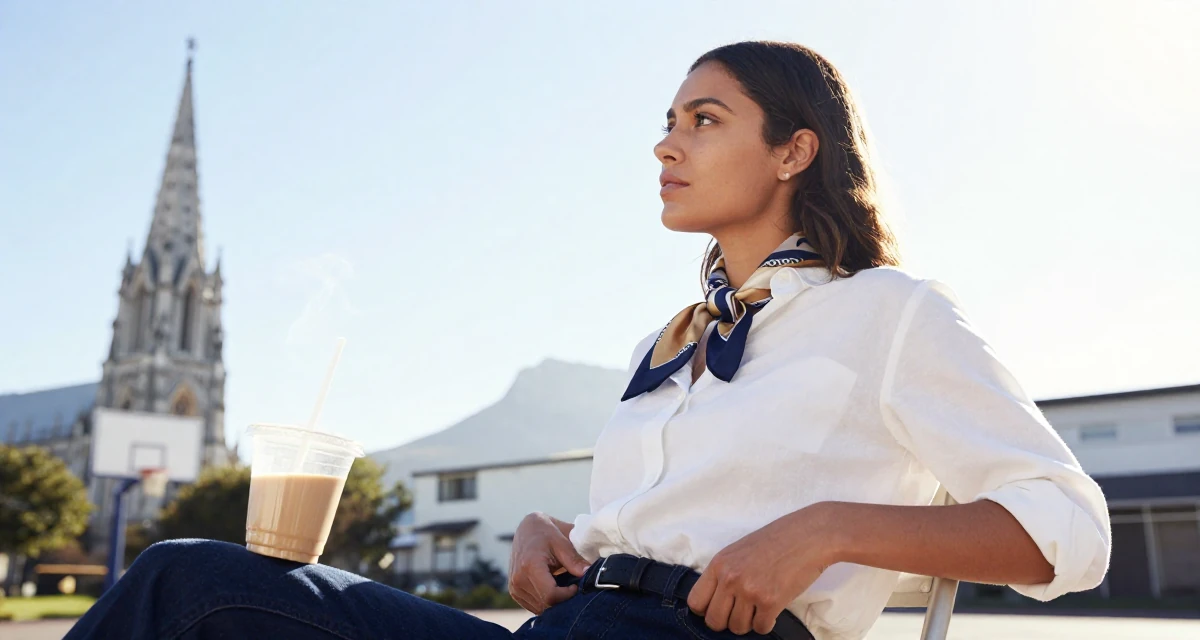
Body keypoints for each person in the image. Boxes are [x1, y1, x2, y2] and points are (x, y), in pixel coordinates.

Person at [65, 41, 1110, 640]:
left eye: (705, 119)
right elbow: (676, 514)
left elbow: (1068, 528)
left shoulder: (892, 312)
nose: (665, 141)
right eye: (667, 118)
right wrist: (549, 535)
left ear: (796, 149)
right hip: (566, 635)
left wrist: (827, 528)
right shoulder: (668, 342)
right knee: (186, 581)